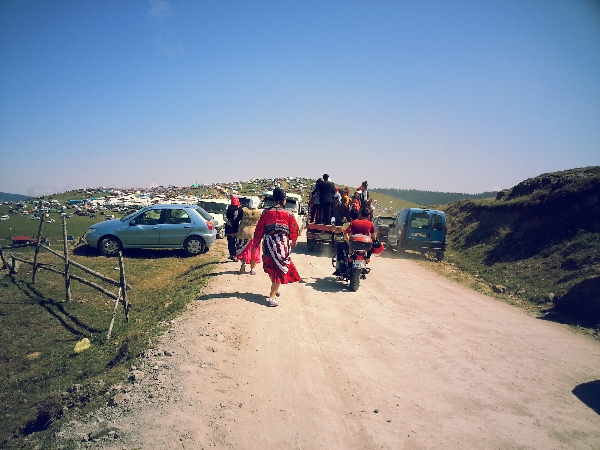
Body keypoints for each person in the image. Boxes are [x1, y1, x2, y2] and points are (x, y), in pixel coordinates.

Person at [251, 187, 301, 307]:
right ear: (284, 200)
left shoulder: (266, 213)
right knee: (279, 270)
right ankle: (272, 298)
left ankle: (276, 287)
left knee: (273, 268)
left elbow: (259, 229)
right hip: (282, 245)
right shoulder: (288, 214)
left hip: (268, 245)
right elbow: (294, 229)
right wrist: (294, 240)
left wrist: (255, 244)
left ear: (274, 199)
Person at [333, 207, 376, 276]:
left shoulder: (354, 223)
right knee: (371, 248)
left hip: (354, 245)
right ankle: (366, 260)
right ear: (368, 216)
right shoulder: (370, 224)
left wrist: (349, 243)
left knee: (339, 246)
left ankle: (342, 263)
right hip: (365, 246)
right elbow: (374, 237)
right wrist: (374, 242)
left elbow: (346, 233)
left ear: (360, 214)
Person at [235, 198, 262, 275]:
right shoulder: (260, 212)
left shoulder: (243, 210)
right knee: (254, 252)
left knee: (243, 249)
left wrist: (235, 231)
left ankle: (243, 263)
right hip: (254, 234)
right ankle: (252, 269)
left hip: (242, 232)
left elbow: (236, 221)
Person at [225, 195, 243, 260]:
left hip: (229, 228)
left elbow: (226, 217)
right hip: (237, 228)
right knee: (237, 242)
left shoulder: (229, 208)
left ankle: (232, 254)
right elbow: (240, 219)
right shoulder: (240, 208)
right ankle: (235, 256)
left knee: (230, 242)